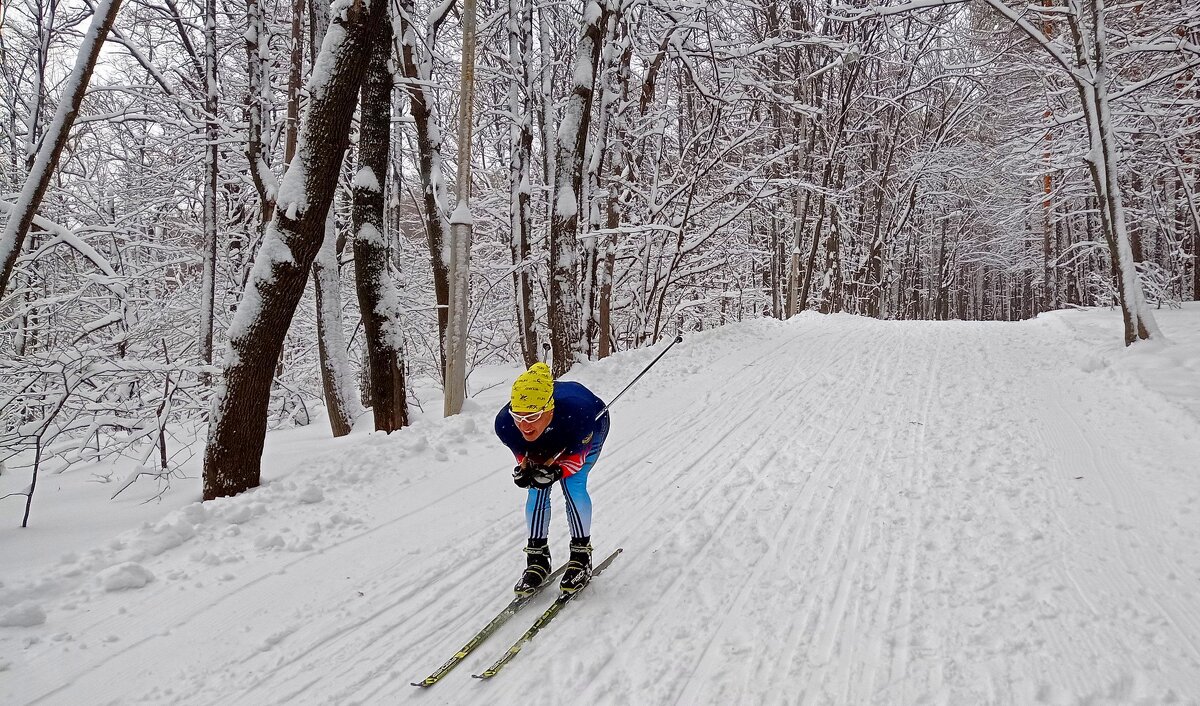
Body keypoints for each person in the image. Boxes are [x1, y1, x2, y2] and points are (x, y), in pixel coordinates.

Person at [495, 362, 610, 595]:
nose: (524, 425)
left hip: (590, 426)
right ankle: (537, 559)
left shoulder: (581, 416)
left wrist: (556, 471)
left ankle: (581, 556)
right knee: (536, 487)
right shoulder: (506, 425)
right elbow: (524, 454)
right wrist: (525, 471)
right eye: (518, 416)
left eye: (533, 416)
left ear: (548, 409)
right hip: (554, 428)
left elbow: (575, 461)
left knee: (573, 484)